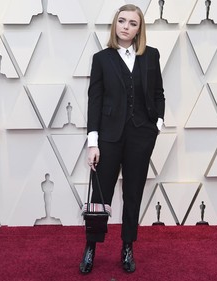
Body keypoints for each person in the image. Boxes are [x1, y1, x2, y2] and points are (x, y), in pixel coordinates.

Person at [79, 4, 165, 274]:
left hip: (141, 135)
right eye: (122, 21)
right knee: (99, 194)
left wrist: (157, 124)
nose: (126, 27)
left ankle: (127, 246)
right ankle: (91, 247)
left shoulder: (151, 56)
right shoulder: (101, 59)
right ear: (115, 24)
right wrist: (93, 142)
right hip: (109, 137)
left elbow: (159, 93)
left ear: (140, 29)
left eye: (133, 23)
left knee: (133, 193)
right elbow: (94, 101)